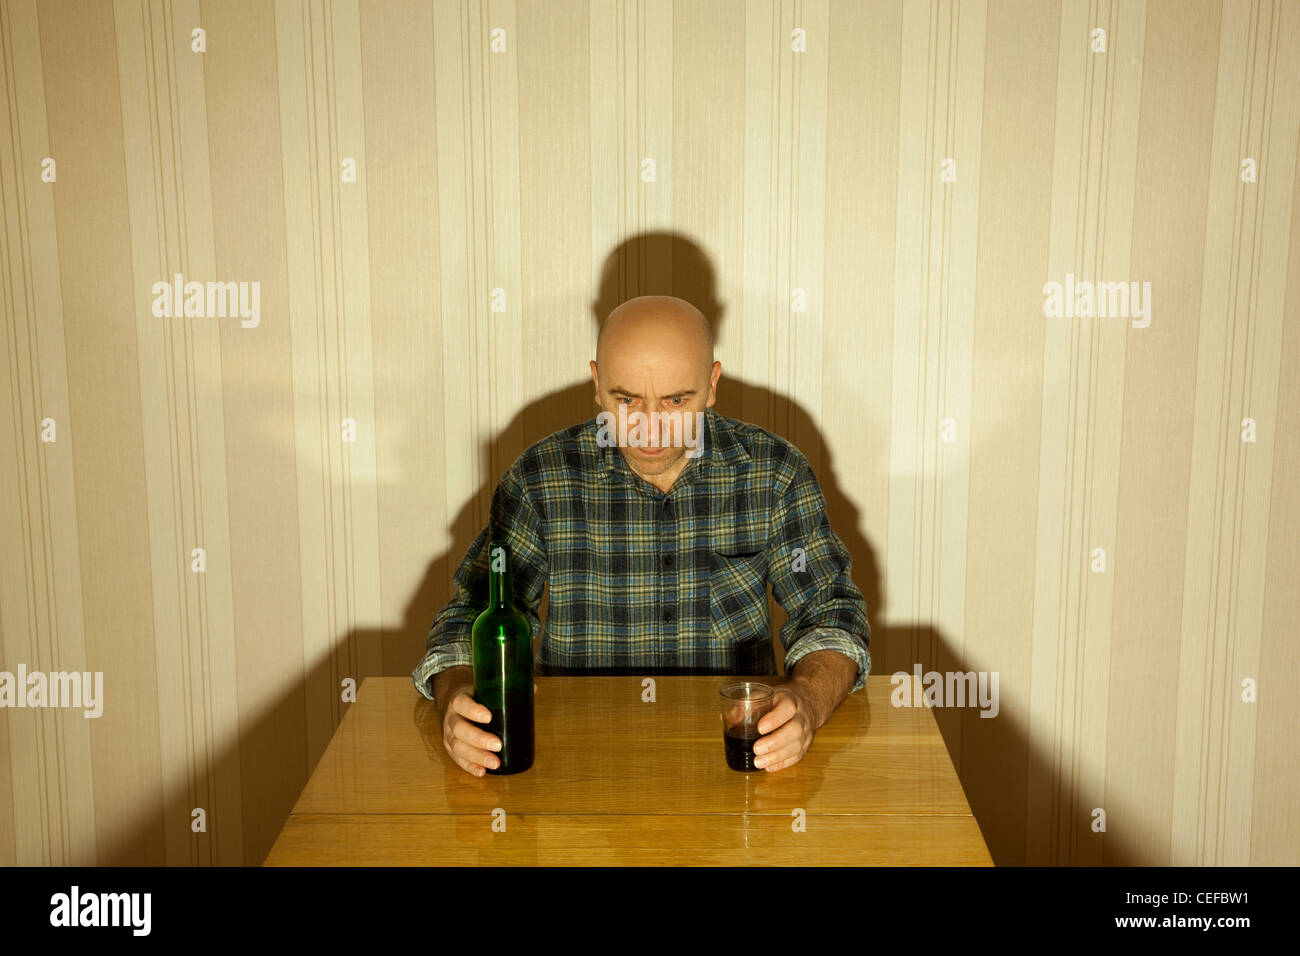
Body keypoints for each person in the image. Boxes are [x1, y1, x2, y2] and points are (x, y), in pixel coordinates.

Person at [413, 295, 870, 776]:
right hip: (575, 768)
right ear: (596, 383)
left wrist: (808, 701)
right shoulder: (540, 478)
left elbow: (829, 608)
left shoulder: (774, 474)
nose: (648, 429)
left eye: (676, 400)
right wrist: (455, 693)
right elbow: (475, 611)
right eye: (626, 400)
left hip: (733, 763)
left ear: (712, 385)